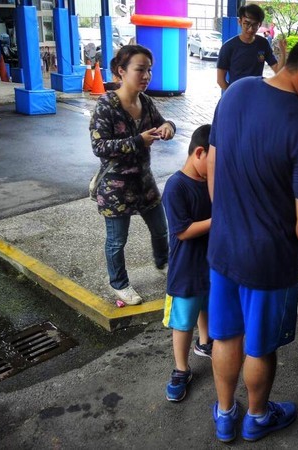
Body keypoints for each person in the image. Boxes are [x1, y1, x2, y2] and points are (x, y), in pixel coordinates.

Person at [207, 27, 298, 443]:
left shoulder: (235, 92)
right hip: (270, 259)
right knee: (259, 346)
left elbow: (214, 169)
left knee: (225, 333)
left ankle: (224, 414)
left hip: (223, 247)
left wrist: (228, 219)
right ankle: (256, 416)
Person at [90, 44, 175, 305]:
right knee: (117, 240)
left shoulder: (146, 102)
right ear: (121, 71)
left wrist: (169, 127)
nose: (147, 76)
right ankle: (119, 283)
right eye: (140, 70)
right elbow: (99, 146)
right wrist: (138, 140)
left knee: (161, 231)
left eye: (149, 70)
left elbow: (164, 121)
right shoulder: (106, 105)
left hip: (144, 182)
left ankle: (164, 263)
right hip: (115, 187)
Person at [161, 124, 213, 402]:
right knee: (183, 322)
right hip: (185, 268)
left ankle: (205, 343)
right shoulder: (176, 186)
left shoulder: (209, 181)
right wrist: (219, 221)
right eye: (215, 161)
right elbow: (182, 229)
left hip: (209, 263)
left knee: (206, 305)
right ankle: (181, 369)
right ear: (199, 152)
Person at [216, 4, 287, 90]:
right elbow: (220, 80)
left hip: (256, 94)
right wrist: (233, 96)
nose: (250, 29)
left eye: (254, 25)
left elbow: (277, 71)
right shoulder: (228, 47)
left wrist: (283, 52)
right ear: (240, 22)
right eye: (247, 24)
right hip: (237, 95)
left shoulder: (263, 43)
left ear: (259, 24)